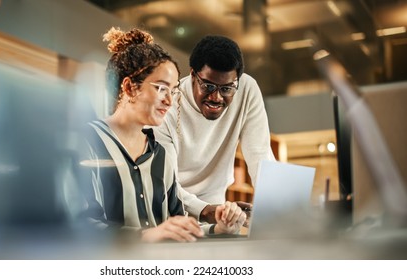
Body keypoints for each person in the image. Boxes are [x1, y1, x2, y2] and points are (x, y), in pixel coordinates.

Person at [72, 27, 246, 243]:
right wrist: (145, 236)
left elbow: (179, 225)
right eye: (161, 89)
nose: (170, 101)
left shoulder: (160, 155)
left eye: (173, 91)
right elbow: (79, 225)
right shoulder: (85, 142)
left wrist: (219, 229)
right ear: (129, 88)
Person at [154, 35, 276, 224]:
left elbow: (260, 154)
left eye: (227, 88)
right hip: (170, 215)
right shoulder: (167, 105)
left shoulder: (247, 89)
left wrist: (279, 211)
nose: (216, 97)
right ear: (193, 75)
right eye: (208, 86)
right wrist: (203, 210)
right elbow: (164, 182)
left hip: (217, 213)